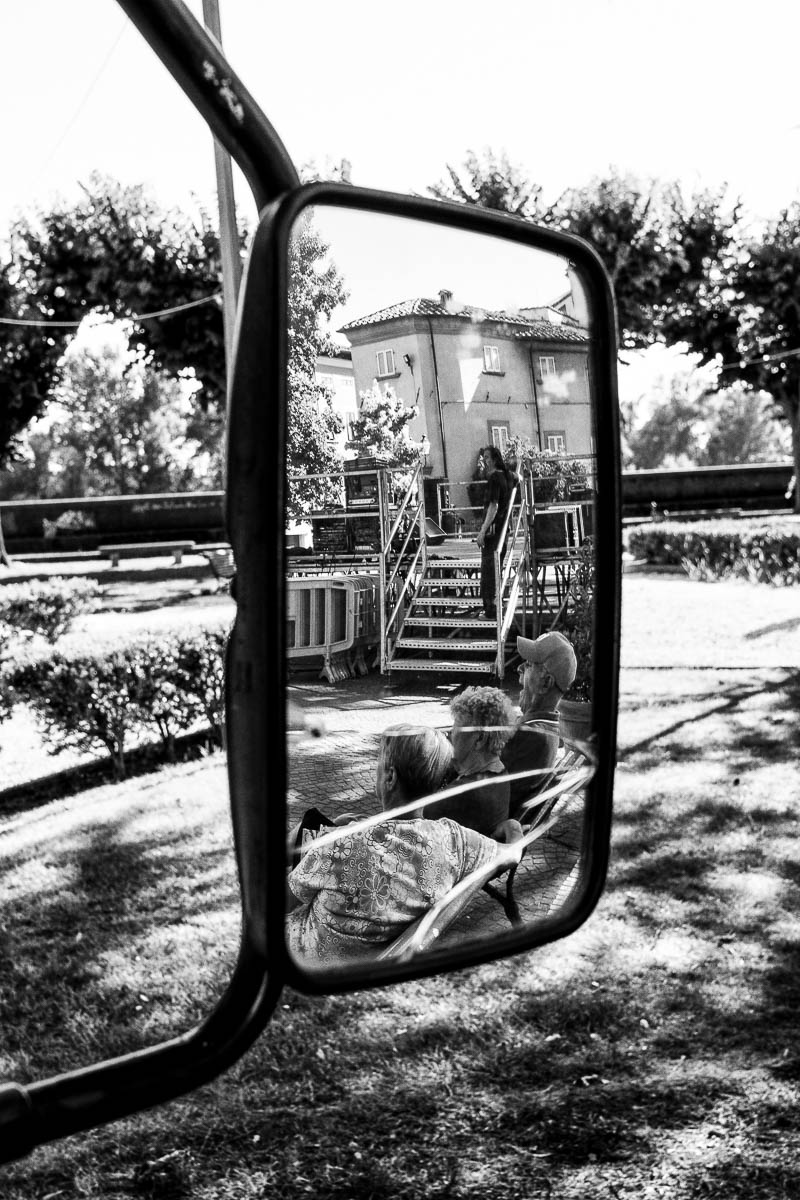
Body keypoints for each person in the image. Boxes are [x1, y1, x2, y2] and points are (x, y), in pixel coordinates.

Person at [286, 724, 522, 965]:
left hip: (305, 958)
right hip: (375, 957)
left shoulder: (339, 846)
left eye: (378, 763)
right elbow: (512, 854)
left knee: (302, 832)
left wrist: (339, 833)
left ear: (390, 777)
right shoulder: (454, 841)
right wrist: (513, 826)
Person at [500, 631, 577, 818]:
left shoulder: (530, 735)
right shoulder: (543, 729)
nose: (519, 669)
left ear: (546, 683)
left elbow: (480, 788)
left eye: (528, 665)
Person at [425, 686, 516, 836]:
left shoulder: (465, 792)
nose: (449, 734)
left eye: (455, 727)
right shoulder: (499, 773)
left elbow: (414, 816)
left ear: (479, 739)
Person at [475, 445, 517, 620]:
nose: (484, 461)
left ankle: (490, 611)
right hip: (503, 531)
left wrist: (482, 531)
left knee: (488, 573)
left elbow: (493, 506)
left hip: (493, 532)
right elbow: (519, 477)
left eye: (487, 457)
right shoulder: (509, 476)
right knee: (495, 569)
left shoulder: (494, 478)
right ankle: (495, 607)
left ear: (494, 459)